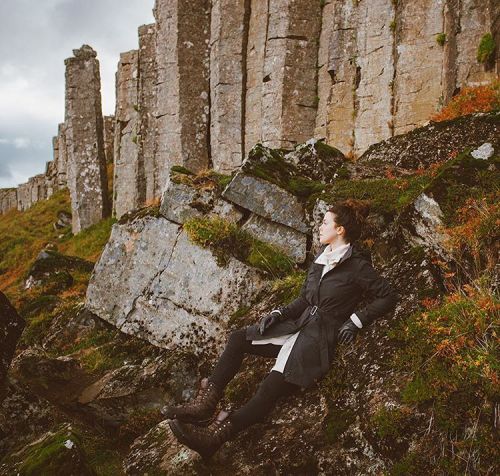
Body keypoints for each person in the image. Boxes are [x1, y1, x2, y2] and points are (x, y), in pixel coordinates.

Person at [166, 199, 400, 460]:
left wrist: (356, 320)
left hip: (317, 340)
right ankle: (204, 406)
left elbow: (388, 295)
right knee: (239, 339)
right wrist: (279, 313)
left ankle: (213, 439)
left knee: (269, 387)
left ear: (341, 230)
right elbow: (304, 300)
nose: (320, 227)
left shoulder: (357, 266)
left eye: (325, 223)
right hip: (297, 326)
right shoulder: (321, 260)